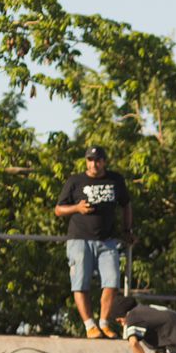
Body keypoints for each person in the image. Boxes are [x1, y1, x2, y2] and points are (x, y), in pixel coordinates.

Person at [55, 145, 132, 339]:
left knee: (112, 281)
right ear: (86, 161)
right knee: (80, 283)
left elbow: (126, 204)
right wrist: (77, 208)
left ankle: (104, 323)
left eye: (97, 160)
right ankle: (89, 325)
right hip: (79, 239)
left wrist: (127, 230)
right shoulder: (75, 181)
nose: (94, 164)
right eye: (90, 160)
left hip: (107, 241)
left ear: (104, 161)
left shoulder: (115, 179)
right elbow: (58, 209)